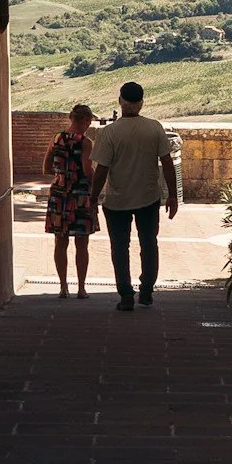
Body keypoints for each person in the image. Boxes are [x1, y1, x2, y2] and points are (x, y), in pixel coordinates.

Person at [87, 80, 178, 310]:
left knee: (119, 247)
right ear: (141, 104)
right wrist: (173, 195)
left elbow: (101, 170)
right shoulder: (154, 128)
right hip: (148, 197)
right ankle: (146, 291)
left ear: (120, 101)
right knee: (149, 244)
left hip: (117, 201)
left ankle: (126, 295)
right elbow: (167, 163)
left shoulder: (109, 132)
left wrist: (93, 198)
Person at [42, 103, 97, 298]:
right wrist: (94, 185)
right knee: (82, 243)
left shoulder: (56, 139)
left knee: (60, 241)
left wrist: (61, 173)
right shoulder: (85, 142)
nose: (89, 125)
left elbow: (46, 168)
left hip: (58, 194)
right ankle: (81, 288)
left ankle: (63, 287)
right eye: (89, 122)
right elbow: (86, 169)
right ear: (83, 120)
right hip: (79, 195)